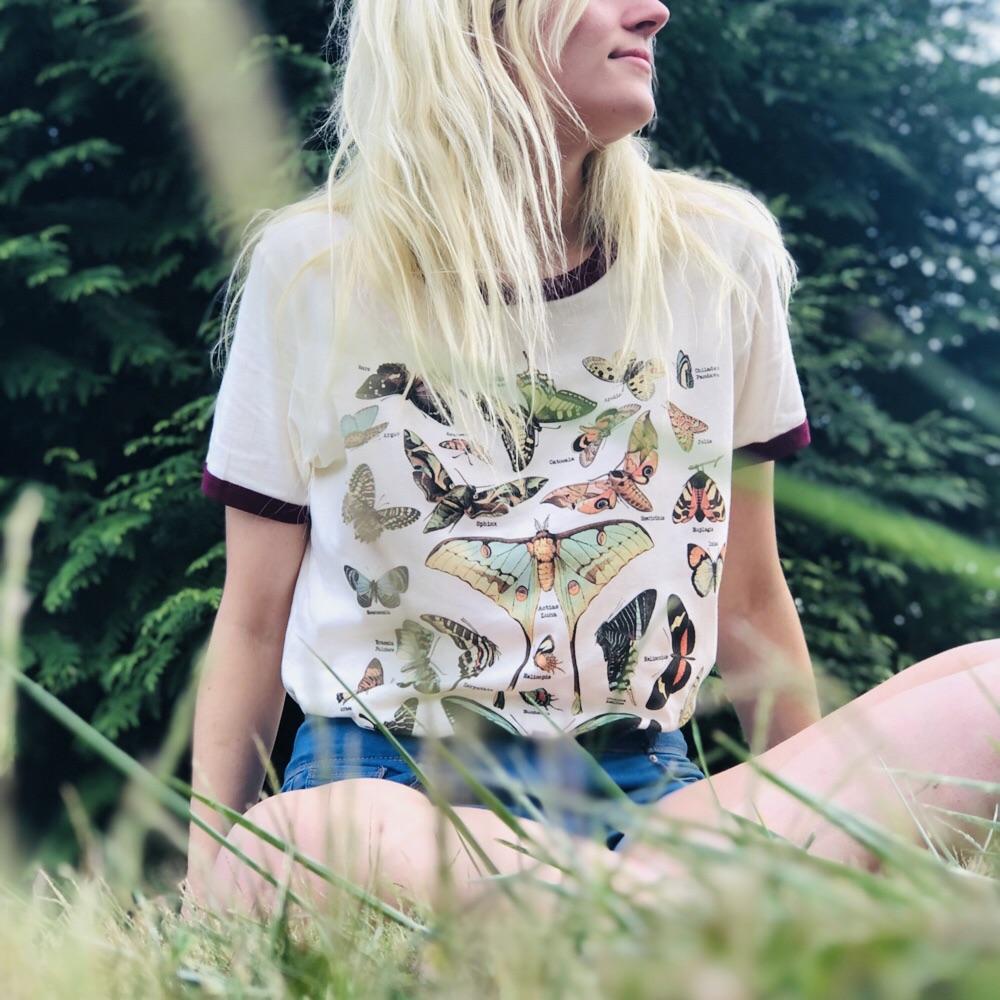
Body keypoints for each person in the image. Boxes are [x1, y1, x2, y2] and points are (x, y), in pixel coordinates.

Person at [184, 0, 1000, 917]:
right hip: (385, 784)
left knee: (990, 690)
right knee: (314, 838)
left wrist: (811, 817)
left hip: (647, 796)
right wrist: (211, 867)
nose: (653, 11)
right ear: (474, 21)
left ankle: (626, 911)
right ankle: (660, 912)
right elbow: (254, 616)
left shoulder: (721, 259)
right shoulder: (312, 270)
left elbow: (748, 592)